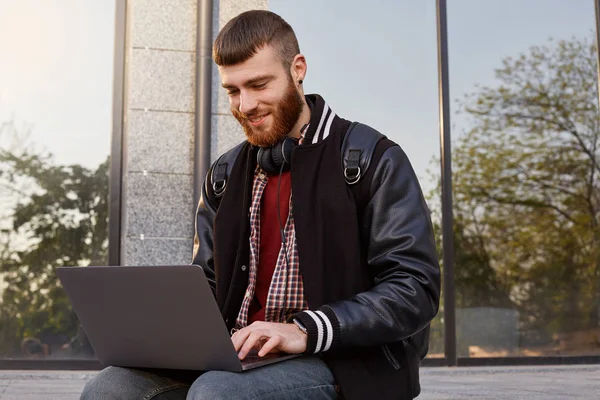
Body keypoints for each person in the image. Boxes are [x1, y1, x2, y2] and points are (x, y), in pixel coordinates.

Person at [81, 9, 440, 400]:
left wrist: (304, 330)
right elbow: (208, 283)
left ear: (297, 69)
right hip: (236, 355)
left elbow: (414, 288)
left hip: (342, 358)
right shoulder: (225, 173)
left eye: (258, 84)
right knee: (109, 387)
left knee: (218, 393)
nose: (245, 104)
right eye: (233, 90)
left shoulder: (371, 158)